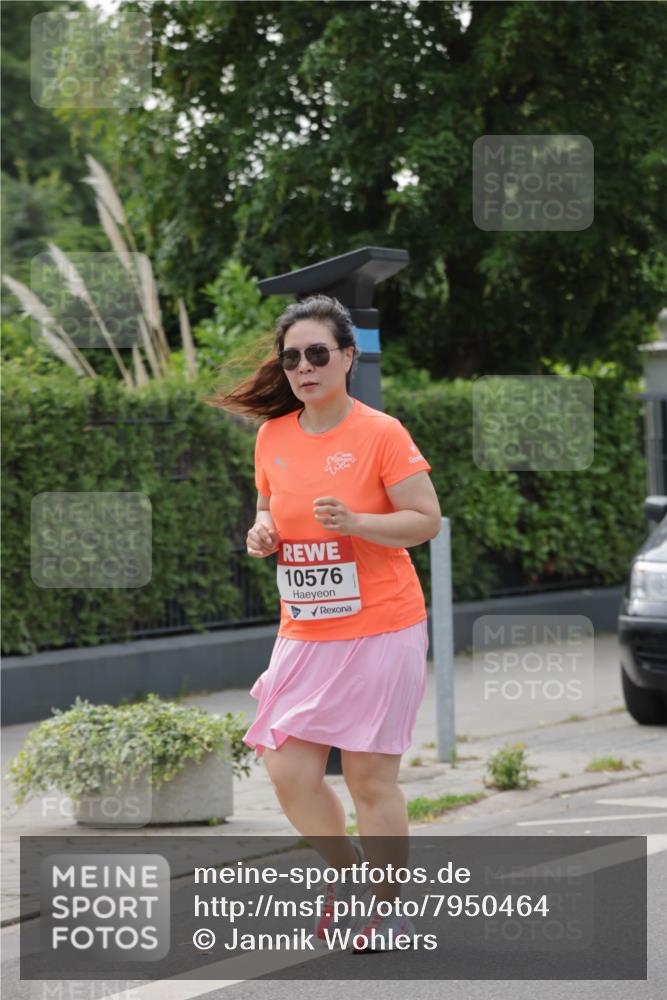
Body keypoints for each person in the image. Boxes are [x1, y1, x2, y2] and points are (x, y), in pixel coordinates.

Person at [208, 294, 441, 951]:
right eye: (290, 358)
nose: (303, 367)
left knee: (369, 780)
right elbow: (267, 507)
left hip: (381, 625)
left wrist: (360, 522)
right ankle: (344, 874)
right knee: (286, 770)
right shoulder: (272, 434)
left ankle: (389, 907)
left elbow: (424, 518)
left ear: (347, 357)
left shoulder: (380, 433)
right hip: (305, 630)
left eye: (316, 354)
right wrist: (261, 531)